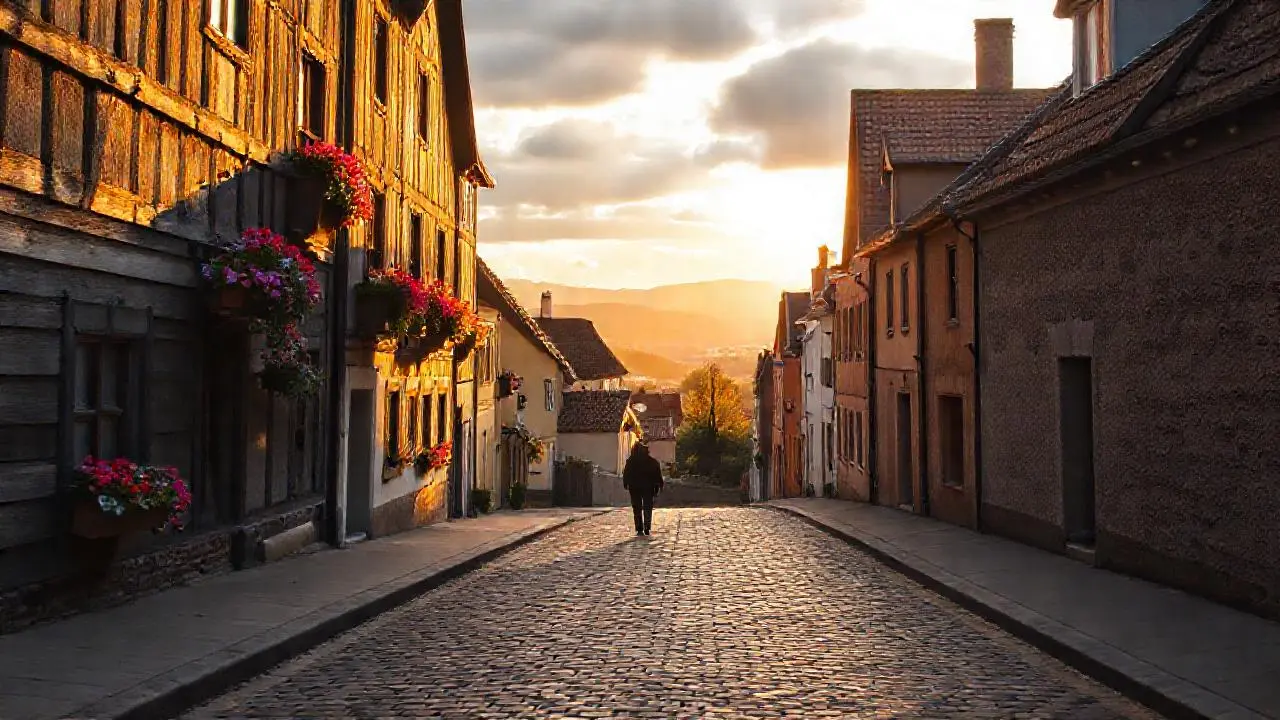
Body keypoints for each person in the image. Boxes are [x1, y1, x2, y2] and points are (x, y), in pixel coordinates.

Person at [622, 441, 664, 536]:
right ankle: (647, 527)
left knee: (637, 508)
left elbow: (626, 473)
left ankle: (639, 528)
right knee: (647, 507)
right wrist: (659, 485)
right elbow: (657, 475)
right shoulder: (652, 462)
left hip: (634, 487)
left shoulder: (631, 460)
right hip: (648, 488)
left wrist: (625, 483)